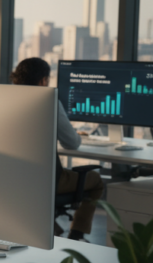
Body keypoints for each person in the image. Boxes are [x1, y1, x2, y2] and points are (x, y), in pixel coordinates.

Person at [11, 57, 104, 241]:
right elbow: (72, 143)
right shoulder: (49, 102)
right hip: (46, 181)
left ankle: (53, 228)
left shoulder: (4, 100)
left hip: (11, 179)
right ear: (43, 80)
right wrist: (76, 134)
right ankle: (76, 233)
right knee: (96, 180)